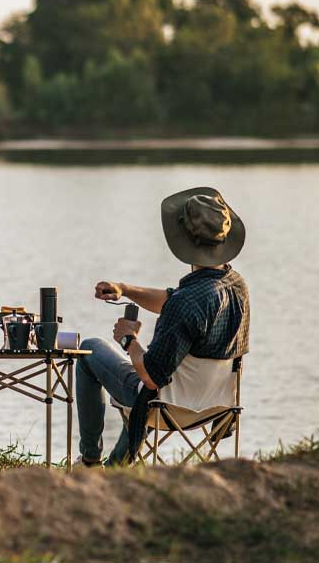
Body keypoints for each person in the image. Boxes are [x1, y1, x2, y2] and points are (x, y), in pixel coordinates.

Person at [76, 187, 251, 466]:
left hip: (166, 406)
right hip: (214, 406)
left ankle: (90, 461)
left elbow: (150, 377)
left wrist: (128, 339)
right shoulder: (236, 287)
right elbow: (172, 301)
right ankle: (115, 468)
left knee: (90, 350)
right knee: (157, 379)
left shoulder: (187, 303)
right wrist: (124, 289)